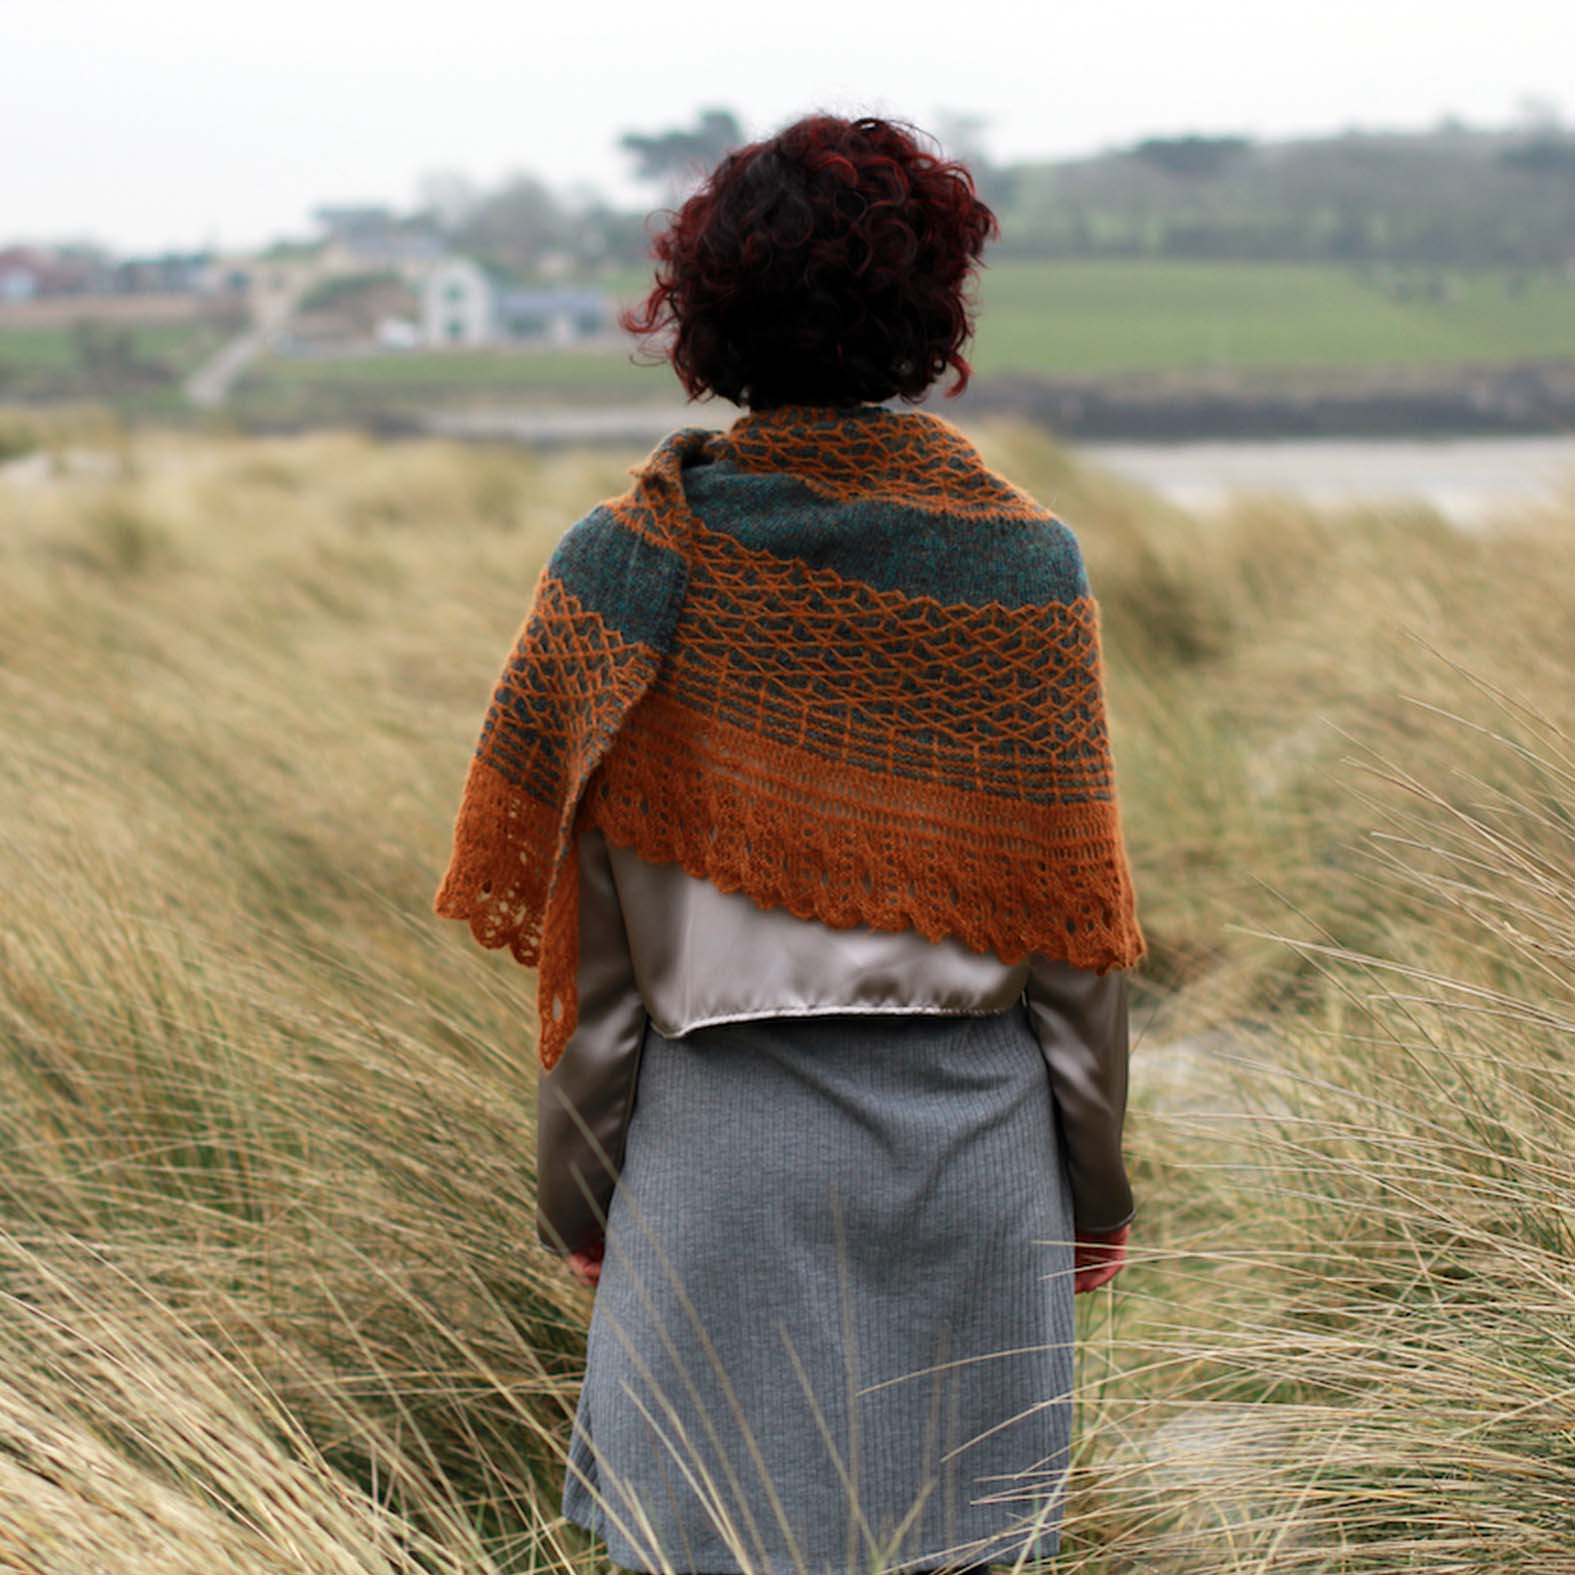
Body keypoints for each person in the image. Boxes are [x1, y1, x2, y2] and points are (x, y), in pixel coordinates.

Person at [434, 112, 1144, 1575]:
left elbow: (601, 961)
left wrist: (582, 1197)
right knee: (959, 1547)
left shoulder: (630, 562)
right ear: (933, 314)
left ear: (703, 315)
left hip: (719, 1166)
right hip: (977, 1162)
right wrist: (1093, 1193)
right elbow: (1075, 945)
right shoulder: (1027, 567)